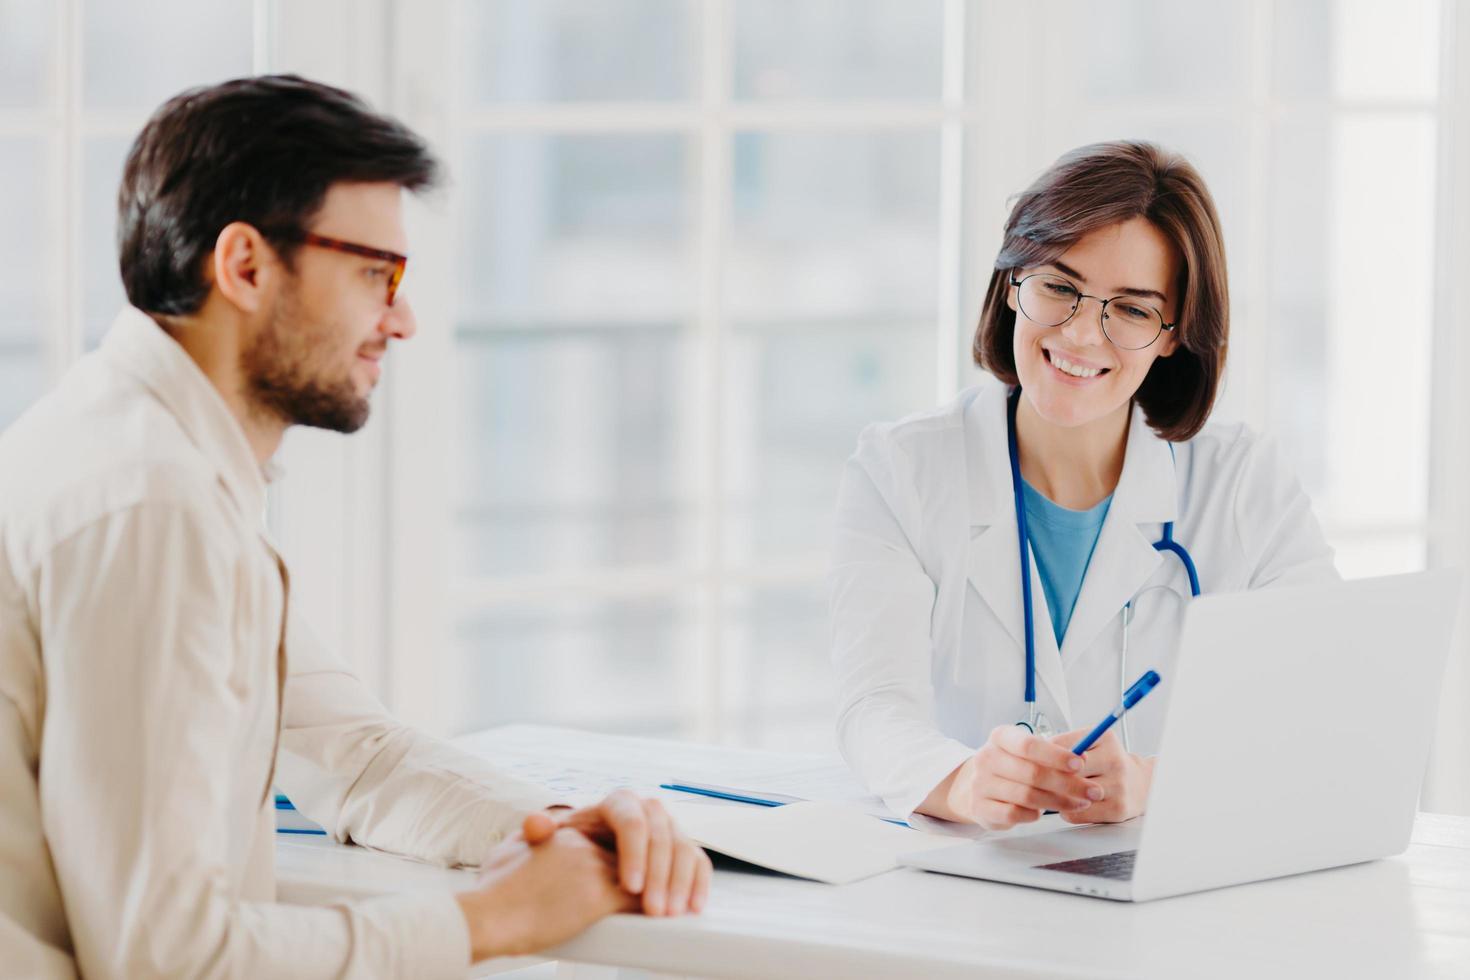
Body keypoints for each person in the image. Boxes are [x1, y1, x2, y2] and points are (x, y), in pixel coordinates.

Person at [0, 75, 709, 979]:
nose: (402, 320)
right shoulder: (151, 507)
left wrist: (553, 831)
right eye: (378, 274)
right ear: (246, 266)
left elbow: (354, 755)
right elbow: (165, 961)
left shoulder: (154, 459)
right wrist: (491, 923)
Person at [828, 140, 1338, 833]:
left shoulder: (1244, 484)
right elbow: (874, 706)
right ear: (1013, 284)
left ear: (1172, 335)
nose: (1080, 335)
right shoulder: (900, 470)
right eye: (1059, 287)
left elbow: (1325, 709)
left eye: (1130, 309)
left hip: (1168, 894)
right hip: (967, 885)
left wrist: (1157, 781)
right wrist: (962, 781)